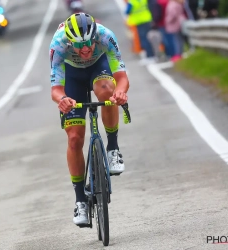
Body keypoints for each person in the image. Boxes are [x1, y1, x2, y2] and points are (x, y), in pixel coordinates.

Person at [49, 13, 130, 226]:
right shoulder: (58, 44)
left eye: (89, 43)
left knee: (107, 92)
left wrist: (120, 94)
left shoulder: (106, 37)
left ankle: (113, 149)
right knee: (75, 138)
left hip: (99, 68)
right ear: (68, 41)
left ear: (95, 37)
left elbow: (121, 78)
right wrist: (63, 99)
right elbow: (56, 89)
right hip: (72, 76)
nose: (85, 49)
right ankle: (80, 200)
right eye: (79, 45)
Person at [125, 0, 155, 64]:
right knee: (149, 38)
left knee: (144, 39)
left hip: (139, 22)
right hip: (147, 19)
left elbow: (127, 11)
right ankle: (152, 55)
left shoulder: (132, 2)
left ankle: (149, 56)